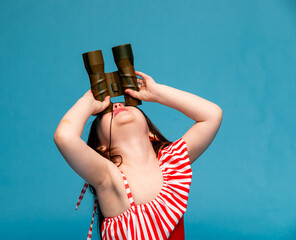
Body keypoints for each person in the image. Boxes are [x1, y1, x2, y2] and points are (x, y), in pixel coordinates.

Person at [54, 71, 223, 239]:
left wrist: (157, 93)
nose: (117, 106)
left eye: (127, 104)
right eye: (106, 113)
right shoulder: (109, 176)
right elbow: (64, 137)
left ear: (151, 133)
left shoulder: (171, 162)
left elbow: (212, 115)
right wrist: (88, 102)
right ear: (102, 148)